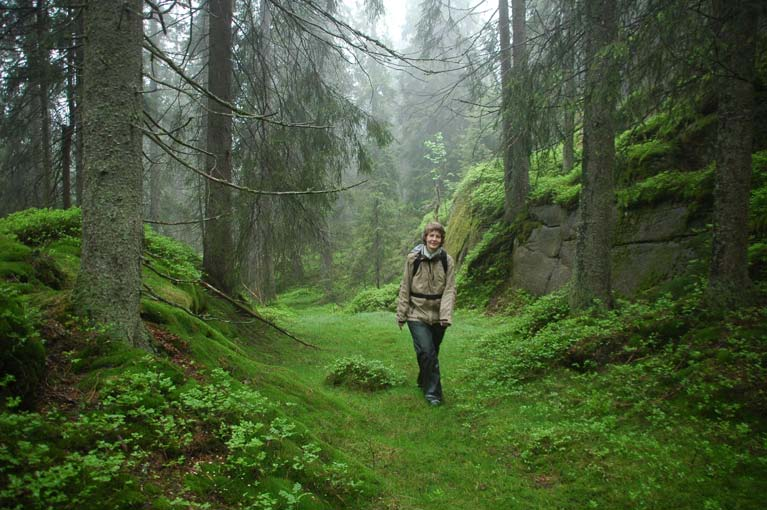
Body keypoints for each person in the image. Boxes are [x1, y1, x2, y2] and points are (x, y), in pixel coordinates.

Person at [396, 221, 456, 406]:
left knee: (430, 352)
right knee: (427, 352)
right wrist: (401, 313)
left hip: (439, 315)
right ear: (425, 237)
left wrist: (445, 315)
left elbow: (450, 289)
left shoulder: (447, 260)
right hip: (416, 313)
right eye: (431, 235)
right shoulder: (413, 259)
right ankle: (434, 395)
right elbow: (405, 286)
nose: (434, 239)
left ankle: (424, 380)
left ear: (441, 239)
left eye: (438, 236)